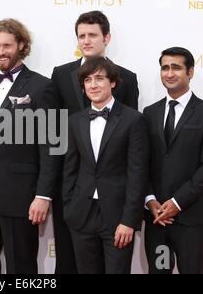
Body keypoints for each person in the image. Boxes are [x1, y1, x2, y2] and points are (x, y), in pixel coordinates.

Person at [0, 19, 59, 274]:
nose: (0, 51)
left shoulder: (42, 86)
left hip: (21, 195)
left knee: (22, 266)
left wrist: (43, 195)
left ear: (21, 45)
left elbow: (52, 146)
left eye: (6, 45)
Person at [50, 10, 139, 273]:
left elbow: (132, 144)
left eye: (92, 35)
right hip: (75, 193)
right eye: (81, 36)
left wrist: (129, 211)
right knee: (69, 263)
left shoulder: (127, 77)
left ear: (106, 37)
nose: (86, 41)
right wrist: (64, 197)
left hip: (114, 196)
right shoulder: (60, 74)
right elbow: (54, 132)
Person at [62, 57, 148, 274]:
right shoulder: (75, 121)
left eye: (99, 78)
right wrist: (70, 208)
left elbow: (137, 172)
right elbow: (70, 168)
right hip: (82, 214)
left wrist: (129, 220)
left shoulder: (133, 120)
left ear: (113, 83)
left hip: (118, 216)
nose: (93, 84)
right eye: (88, 80)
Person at [143, 47, 203, 274]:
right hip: (157, 220)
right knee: (159, 271)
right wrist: (150, 200)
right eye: (165, 68)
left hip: (191, 220)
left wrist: (177, 203)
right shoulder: (149, 113)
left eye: (176, 67)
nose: (169, 73)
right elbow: (141, 164)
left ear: (190, 72)